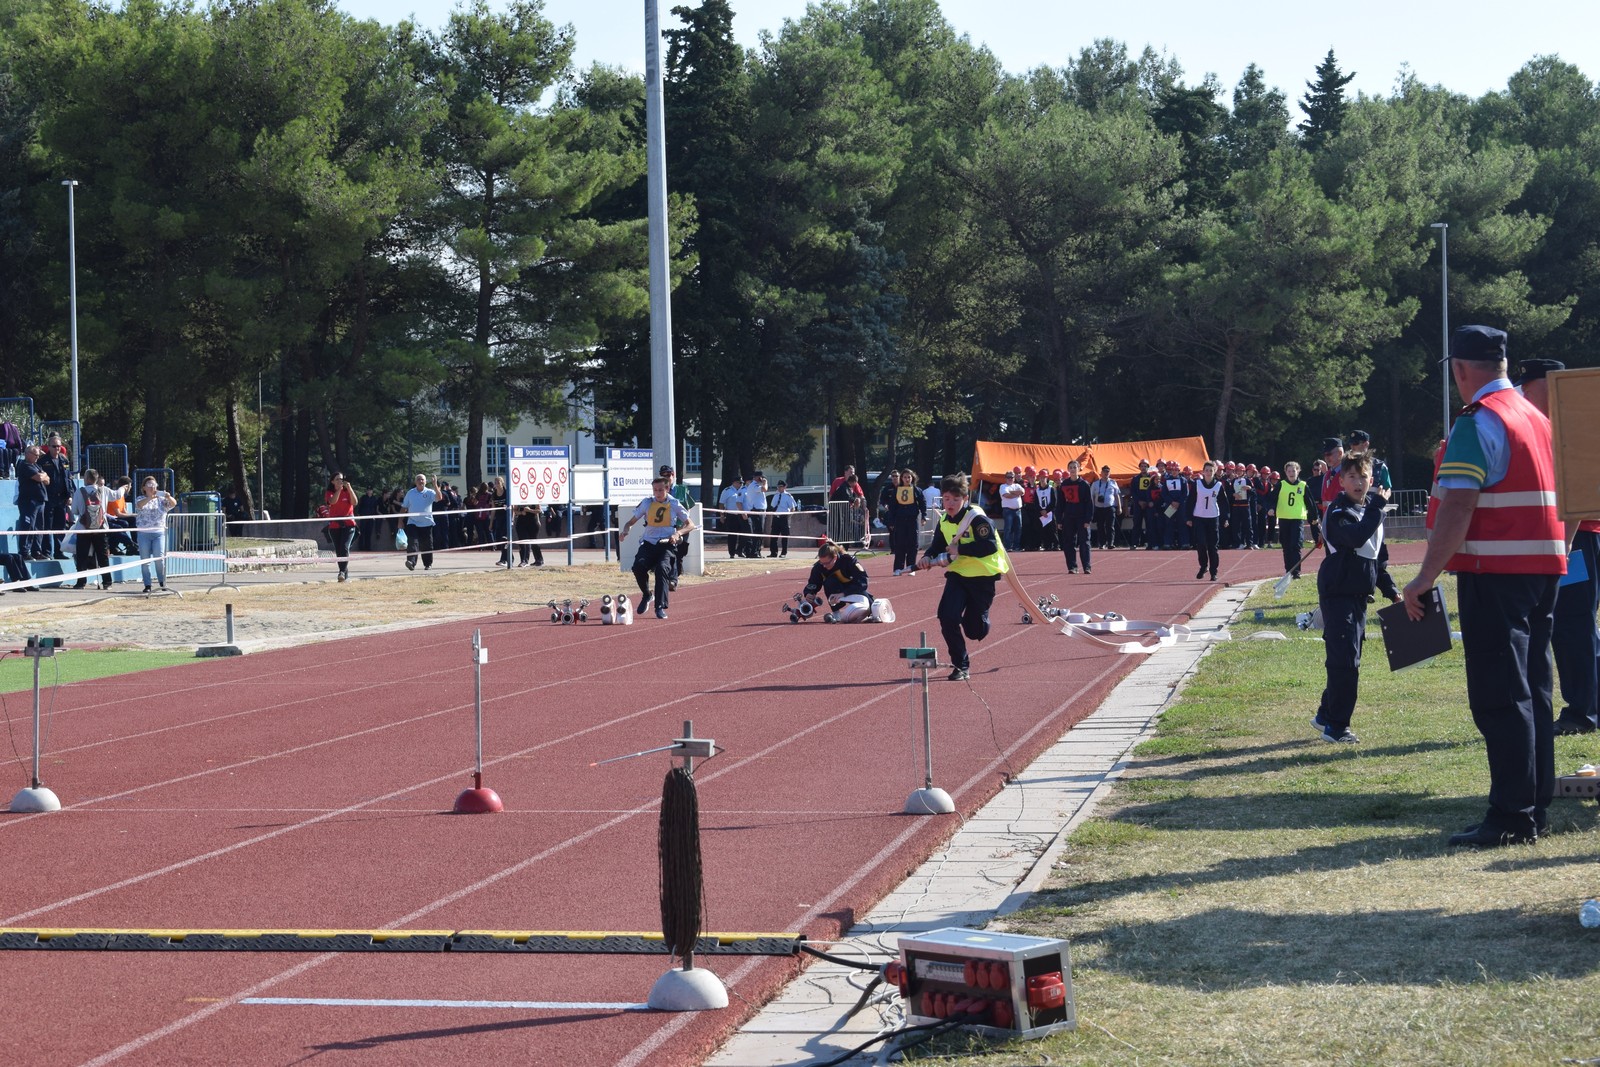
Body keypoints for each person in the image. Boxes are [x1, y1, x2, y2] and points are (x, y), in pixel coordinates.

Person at [1402, 325, 1569, 848]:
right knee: (1535, 691)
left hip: (1494, 574)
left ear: (1459, 369)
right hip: (1545, 570)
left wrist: (1425, 576)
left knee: (1501, 697)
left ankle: (1512, 816)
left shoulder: (1478, 422)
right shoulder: (1538, 419)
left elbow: (1459, 504)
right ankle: (1533, 808)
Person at [1516, 358, 1600, 736]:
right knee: (1574, 625)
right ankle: (1588, 706)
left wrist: (1563, 548)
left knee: (1573, 624)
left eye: (1529, 389)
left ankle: (1583, 712)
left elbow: (1578, 498)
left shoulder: (1568, 426)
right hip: (1576, 535)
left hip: (1578, 537)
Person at [1313, 453, 1390, 744]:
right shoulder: (1337, 512)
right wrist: (1378, 509)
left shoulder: (1372, 511)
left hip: (1358, 595)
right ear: (1341, 481)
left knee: (1349, 658)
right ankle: (1336, 727)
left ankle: (1324, 714)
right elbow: (1356, 538)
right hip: (1337, 593)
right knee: (1345, 661)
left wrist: (1391, 589)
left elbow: (1377, 557)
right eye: (1352, 477)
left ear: (1372, 479)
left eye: (1364, 476)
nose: (1359, 482)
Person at [916, 475, 1009, 682]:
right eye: (947, 498)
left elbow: (990, 545)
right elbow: (938, 545)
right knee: (947, 616)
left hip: (983, 577)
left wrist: (961, 548)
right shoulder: (943, 520)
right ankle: (961, 665)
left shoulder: (977, 518)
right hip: (958, 575)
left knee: (975, 630)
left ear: (965, 499)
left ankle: (981, 621)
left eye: (955, 499)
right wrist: (927, 557)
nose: (950, 503)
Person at [620, 477, 695, 619]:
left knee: (662, 569)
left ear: (667, 489)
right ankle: (647, 595)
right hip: (648, 543)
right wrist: (625, 531)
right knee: (637, 567)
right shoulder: (647, 503)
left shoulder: (674, 503)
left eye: (661, 490)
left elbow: (690, 524)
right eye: (655, 490)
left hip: (666, 545)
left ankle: (659, 607)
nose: (658, 493)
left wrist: (678, 533)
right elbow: (630, 522)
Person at [803, 540, 875, 621]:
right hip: (835, 591)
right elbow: (813, 583)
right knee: (829, 582)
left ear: (835, 557)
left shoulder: (848, 561)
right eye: (822, 563)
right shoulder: (819, 567)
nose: (824, 566)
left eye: (827, 563)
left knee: (873, 612)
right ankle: (836, 612)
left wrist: (844, 593)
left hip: (853, 589)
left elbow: (862, 582)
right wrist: (809, 593)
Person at [69, 468, 113, 590]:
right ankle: (107, 582)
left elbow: (75, 510)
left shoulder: (80, 491)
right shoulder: (103, 491)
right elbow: (117, 496)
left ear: (87, 479)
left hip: (84, 528)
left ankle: (81, 582)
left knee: (82, 556)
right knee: (103, 556)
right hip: (101, 528)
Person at [133, 475, 178, 592]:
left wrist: (168, 496)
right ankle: (147, 585)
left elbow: (173, 504)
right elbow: (139, 506)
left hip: (159, 532)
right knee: (145, 560)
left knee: (160, 559)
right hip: (144, 533)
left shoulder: (162, 501)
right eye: (149, 485)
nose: (152, 487)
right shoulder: (140, 498)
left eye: (154, 485)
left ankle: (162, 583)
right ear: (144, 488)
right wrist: (150, 497)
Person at [1185, 460, 1226, 581]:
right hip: (1199, 518)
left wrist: (1226, 518)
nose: (1208, 473)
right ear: (1203, 472)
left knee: (1213, 546)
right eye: (1206, 470)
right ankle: (1203, 566)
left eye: (1211, 471)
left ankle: (1214, 571)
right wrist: (1188, 517)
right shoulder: (1197, 484)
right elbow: (1190, 501)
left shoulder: (1218, 485)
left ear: (1215, 472)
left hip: (1213, 518)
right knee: (1201, 544)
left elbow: (1223, 503)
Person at [1270, 461, 1310, 578]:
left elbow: (1310, 503)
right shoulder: (1281, 485)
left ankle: (1296, 571)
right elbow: (1272, 498)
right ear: (1285, 472)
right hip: (1284, 519)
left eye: (1294, 470)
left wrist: (1314, 518)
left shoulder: (1303, 485)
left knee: (1296, 545)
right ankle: (1288, 570)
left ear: (1298, 471)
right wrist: (1271, 508)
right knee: (1286, 546)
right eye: (1289, 471)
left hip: (1297, 519)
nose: (1291, 473)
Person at [1054, 461, 1093, 574]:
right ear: (1068, 469)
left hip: (1081, 517)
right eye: (1070, 467)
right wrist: (1059, 520)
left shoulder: (1084, 484)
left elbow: (1089, 503)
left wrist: (1087, 519)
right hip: (1069, 517)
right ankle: (1072, 567)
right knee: (1068, 542)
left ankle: (1087, 566)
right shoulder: (1064, 485)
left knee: (1084, 542)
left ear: (1079, 469)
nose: (1072, 469)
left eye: (1074, 467)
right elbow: (1060, 504)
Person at [14, 444, 51, 561]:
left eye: (38, 455)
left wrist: (43, 475)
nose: (37, 457)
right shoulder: (24, 465)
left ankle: (36, 551)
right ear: (28, 454)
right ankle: (24, 551)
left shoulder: (36, 465)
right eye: (35, 455)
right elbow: (40, 478)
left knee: (39, 527)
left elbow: (48, 480)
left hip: (41, 500)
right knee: (28, 525)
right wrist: (43, 476)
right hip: (29, 501)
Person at [885, 470, 926, 575]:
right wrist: (891, 522)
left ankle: (911, 567)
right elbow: (892, 507)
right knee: (899, 544)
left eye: (909, 477)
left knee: (913, 544)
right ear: (901, 478)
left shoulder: (917, 490)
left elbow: (922, 503)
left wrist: (924, 517)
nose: (907, 479)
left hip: (912, 520)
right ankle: (898, 568)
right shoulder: (896, 491)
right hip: (900, 520)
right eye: (905, 477)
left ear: (912, 478)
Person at [402, 473, 439, 572]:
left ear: (425, 482)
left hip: (427, 523)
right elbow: (404, 507)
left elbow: (439, 498)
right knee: (412, 543)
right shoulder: (410, 493)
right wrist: (400, 521)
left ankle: (428, 564)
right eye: (418, 479)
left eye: (422, 479)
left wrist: (435, 485)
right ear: (415, 482)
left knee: (427, 545)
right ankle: (411, 562)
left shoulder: (430, 492)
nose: (420, 481)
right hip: (412, 522)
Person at [324, 472, 358, 582]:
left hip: (348, 524)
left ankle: (341, 572)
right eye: (337, 479)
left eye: (341, 479)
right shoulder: (329, 493)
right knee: (339, 550)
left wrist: (349, 488)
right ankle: (344, 571)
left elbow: (355, 502)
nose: (340, 481)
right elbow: (332, 502)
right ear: (332, 481)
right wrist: (338, 490)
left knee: (344, 547)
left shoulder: (347, 491)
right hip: (335, 525)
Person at [1090, 465, 1121, 549]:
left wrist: (1119, 507)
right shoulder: (1095, 484)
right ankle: (1102, 543)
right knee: (1100, 526)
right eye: (1104, 472)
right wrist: (1092, 508)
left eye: (1107, 472)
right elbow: (1091, 496)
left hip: (1110, 507)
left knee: (1110, 526)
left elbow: (1117, 495)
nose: (1106, 473)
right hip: (1098, 507)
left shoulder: (1113, 482)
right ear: (1101, 473)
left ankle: (1110, 543)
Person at [767, 478, 798, 559]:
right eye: (778, 486)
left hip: (784, 518)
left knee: (784, 537)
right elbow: (773, 506)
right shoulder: (776, 495)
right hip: (776, 518)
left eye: (781, 486)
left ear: (784, 487)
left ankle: (784, 552)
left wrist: (788, 517)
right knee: (774, 536)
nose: (779, 488)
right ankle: (773, 552)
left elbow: (793, 508)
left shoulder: (788, 496)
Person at [720, 474, 748, 558]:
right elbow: (721, 503)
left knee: (744, 533)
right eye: (739, 482)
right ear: (734, 482)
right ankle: (731, 553)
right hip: (731, 515)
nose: (740, 484)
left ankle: (740, 550)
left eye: (741, 482)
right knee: (732, 535)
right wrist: (722, 515)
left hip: (742, 514)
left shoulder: (744, 490)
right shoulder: (727, 490)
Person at [997, 470, 1024, 551]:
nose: (1010, 479)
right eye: (1008, 477)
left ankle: (1016, 546)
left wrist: (1011, 492)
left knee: (1018, 529)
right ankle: (1007, 546)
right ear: (1005, 478)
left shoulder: (1017, 485)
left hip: (1018, 510)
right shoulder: (1003, 486)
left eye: (1011, 477)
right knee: (1008, 529)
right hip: (1008, 510)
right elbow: (1006, 495)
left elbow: (1022, 492)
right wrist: (1016, 494)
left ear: (1014, 478)